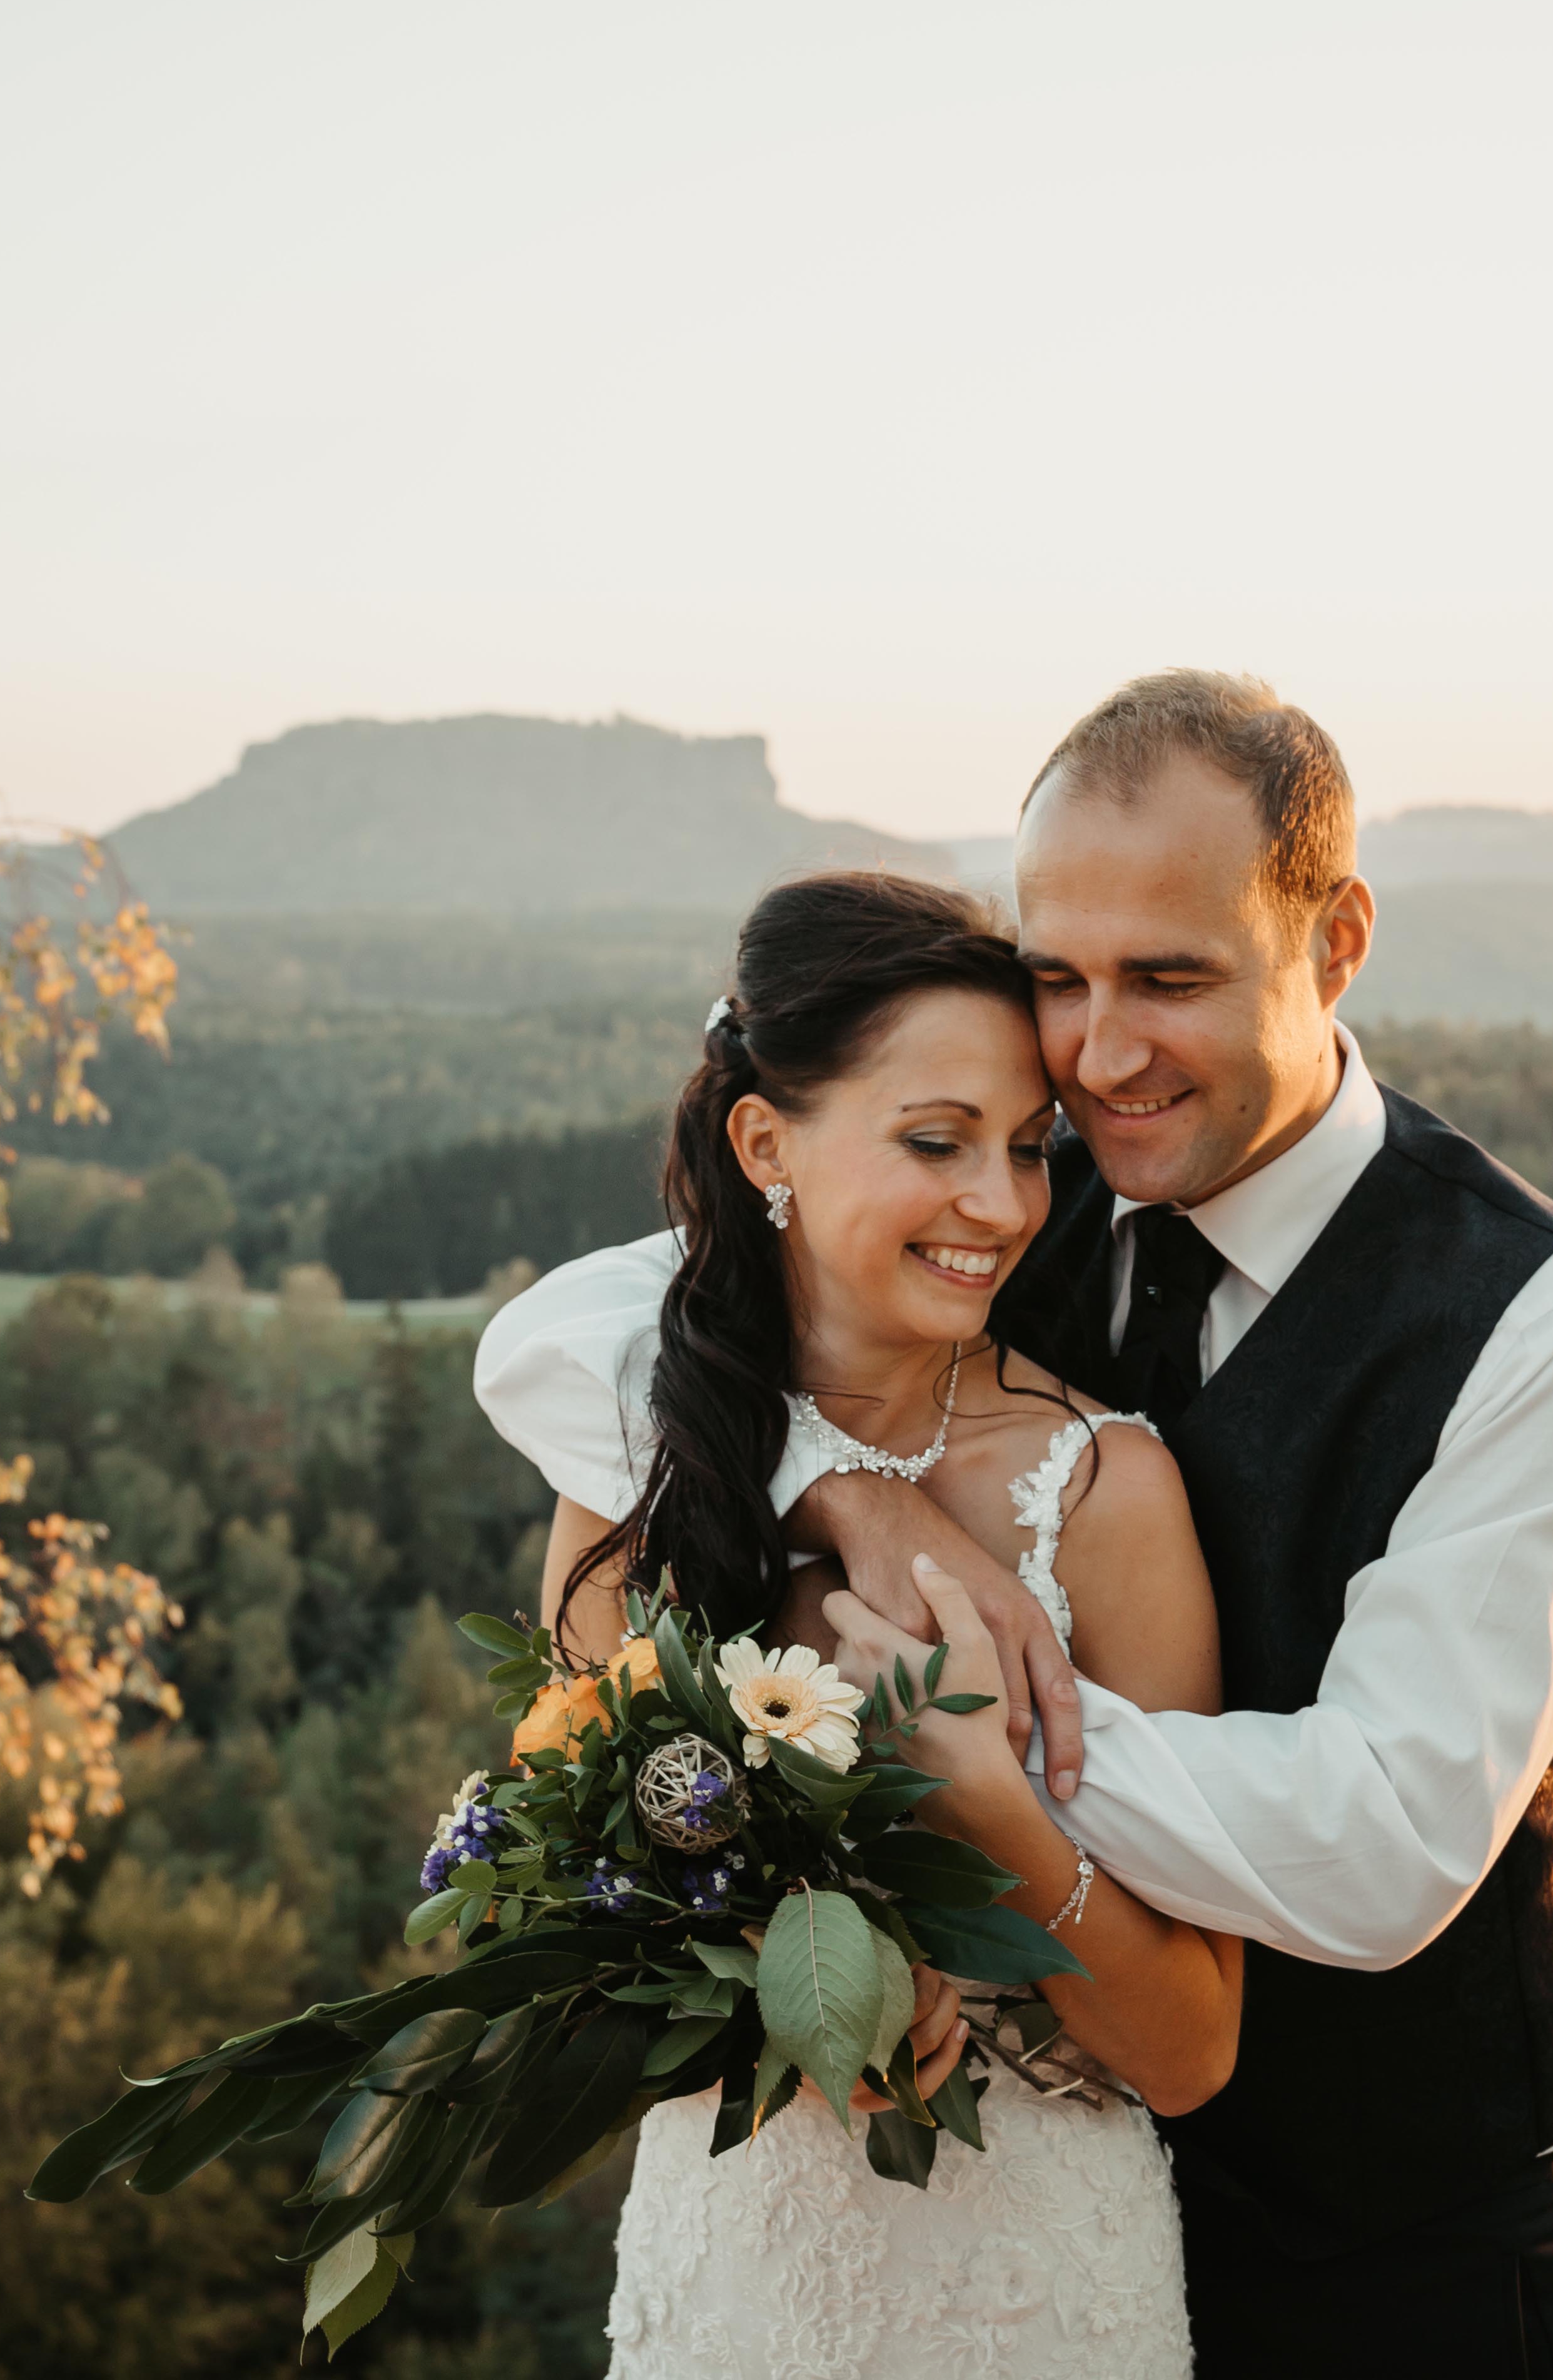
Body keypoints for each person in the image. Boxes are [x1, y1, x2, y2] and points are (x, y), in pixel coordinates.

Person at [480, 671, 1553, 2377]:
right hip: (1051, 2226)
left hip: (1422, 2252)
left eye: (1169, 979)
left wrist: (964, 1754)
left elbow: (1383, 1836)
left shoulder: (1545, 1314)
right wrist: (841, 1480)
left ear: (1333, 942)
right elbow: (583, 1328)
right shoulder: (1029, 1182)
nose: (1101, 1053)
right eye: (1059, 976)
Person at [494, 868, 1236, 2377]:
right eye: (935, 1142)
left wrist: (986, 1798)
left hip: (1035, 2288)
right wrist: (768, 1962)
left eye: (1029, 1151)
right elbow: (572, 1881)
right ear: (764, 1141)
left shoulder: (1104, 1492)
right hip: (739, 2266)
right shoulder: (639, 1453)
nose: (1001, 1205)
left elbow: (1194, 2050)